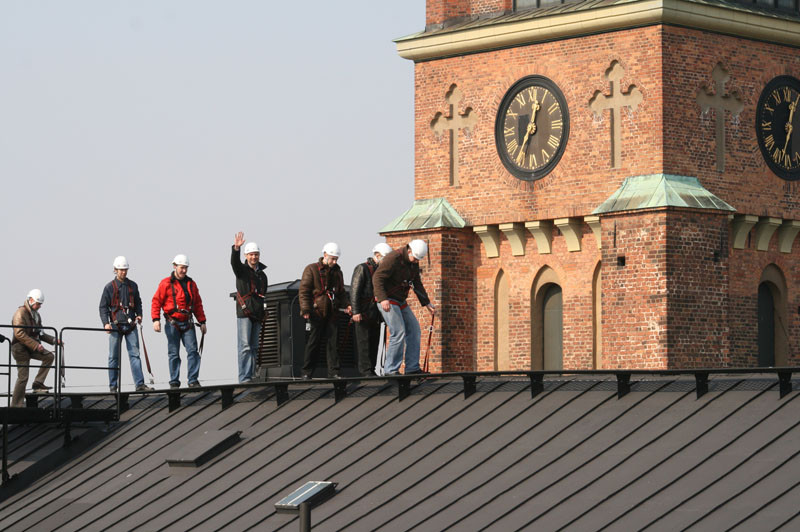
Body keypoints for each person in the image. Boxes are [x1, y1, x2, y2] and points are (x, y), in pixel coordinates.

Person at [373, 239, 436, 376]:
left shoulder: (413, 262)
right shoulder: (393, 258)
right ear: (409, 251)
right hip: (388, 299)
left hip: (400, 300)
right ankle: (390, 369)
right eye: (415, 258)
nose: (415, 261)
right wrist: (383, 299)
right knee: (398, 331)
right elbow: (377, 277)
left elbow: (417, 282)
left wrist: (426, 303)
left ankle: (412, 368)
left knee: (414, 330)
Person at [151, 254, 207, 388]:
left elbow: (197, 304)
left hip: (187, 322)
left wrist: (202, 321)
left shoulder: (191, 284)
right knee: (174, 353)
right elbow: (156, 301)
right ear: (175, 266)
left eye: (186, 268)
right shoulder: (166, 283)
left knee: (193, 351)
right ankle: (174, 381)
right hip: (172, 323)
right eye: (182, 268)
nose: (184, 271)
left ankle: (193, 380)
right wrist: (155, 319)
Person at [99, 256, 153, 392]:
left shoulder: (133, 286)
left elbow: (138, 302)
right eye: (121, 270)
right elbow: (103, 307)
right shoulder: (109, 288)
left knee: (135, 355)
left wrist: (139, 314)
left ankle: (140, 384)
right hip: (115, 326)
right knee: (113, 357)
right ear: (115, 270)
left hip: (131, 326)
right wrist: (106, 323)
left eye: (125, 270)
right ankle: (113, 386)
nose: (123, 272)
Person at [299, 243, 351, 379]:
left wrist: (347, 305)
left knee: (333, 344)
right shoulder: (311, 269)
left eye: (336, 259)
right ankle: (306, 372)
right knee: (313, 343)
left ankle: (334, 372)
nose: (334, 262)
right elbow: (304, 291)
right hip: (316, 312)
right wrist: (305, 309)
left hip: (332, 312)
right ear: (325, 255)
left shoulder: (337, 272)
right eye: (332, 259)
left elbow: (341, 292)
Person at [11, 289, 59, 407]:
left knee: (49, 356)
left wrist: (54, 340)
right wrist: (36, 345)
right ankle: (16, 405)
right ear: (31, 300)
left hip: (30, 347)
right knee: (23, 377)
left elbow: (40, 333)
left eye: (40, 304)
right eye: (38, 304)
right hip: (20, 348)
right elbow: (19, 334)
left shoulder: (36, 315)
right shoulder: (20, 313)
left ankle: (38, 383)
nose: (39, 306)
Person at [351, 243, 393, 377]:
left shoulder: (382, 271)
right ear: (377, 255)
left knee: (375, 341)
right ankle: (365, 371)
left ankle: (373, 368)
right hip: (363, 312)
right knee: (363, 342)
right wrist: (356, 311)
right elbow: (354, 291)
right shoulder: (362, 269)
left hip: (375, 312)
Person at [231, 231, 268, 383]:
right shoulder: (242, 271)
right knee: (245, 346)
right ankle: (245, 378)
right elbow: (234, 263)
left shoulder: (262, 275)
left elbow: (263, 294)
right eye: (251, 255)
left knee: (253, 347)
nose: (254, 257)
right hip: (245, 313)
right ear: (246, 256)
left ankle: (252, 375)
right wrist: (236, 249)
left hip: (257, 314)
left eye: (256, 254)